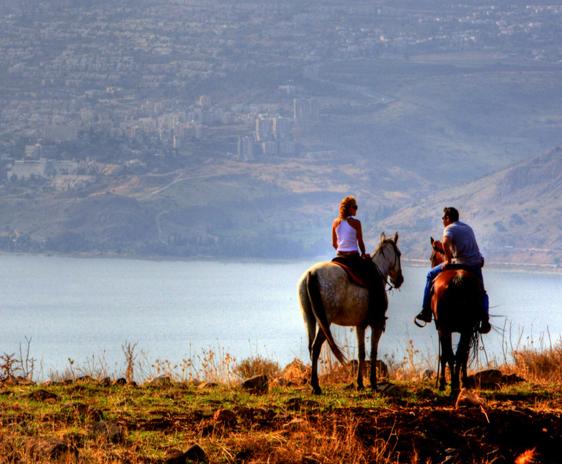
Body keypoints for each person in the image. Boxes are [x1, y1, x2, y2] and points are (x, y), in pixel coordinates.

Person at [415, 207, 490, 334]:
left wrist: (448, 261)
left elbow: (445, 242)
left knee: (430, 275)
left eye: (443, 218)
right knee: (482, 292)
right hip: (475, 264)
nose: (443, 220)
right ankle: (484, 318)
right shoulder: (468, 228)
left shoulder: (449, 228)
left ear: (448, 218)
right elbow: (466, 248)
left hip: (460, 263)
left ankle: (425, 311)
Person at [332, 196, 384, 323]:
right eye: (355, 207)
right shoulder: (356, 223)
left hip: (338, 258)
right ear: (349, 208)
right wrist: (364, 253)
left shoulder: (335, 223)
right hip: (352, 258)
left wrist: (341, 249)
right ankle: (376, 313)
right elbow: (360, 241)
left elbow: (334, 244)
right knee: (375, 278)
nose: (356, 209)